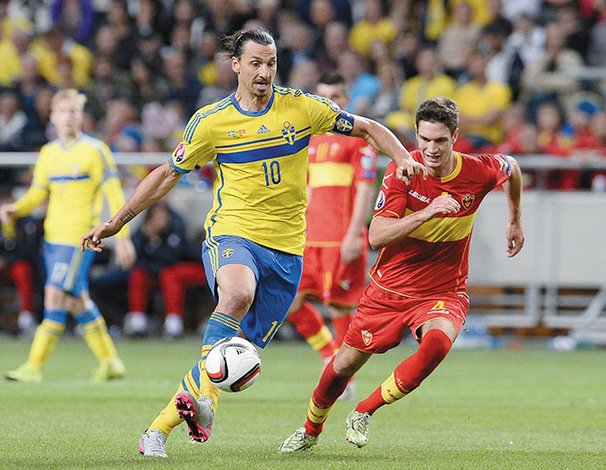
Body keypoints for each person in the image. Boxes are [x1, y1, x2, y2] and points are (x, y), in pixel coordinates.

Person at [80, 28, 425, 459]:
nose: (264, 72)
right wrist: (117, 221)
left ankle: (159, 431)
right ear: (236, 66)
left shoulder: (301, 108)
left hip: (287, 251)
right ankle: (204, 402)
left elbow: (370, 127)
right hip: (233, 233)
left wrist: (405, 157)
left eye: (271, 63)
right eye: (256, 63)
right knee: (237, 294)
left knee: (239, 357)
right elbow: (167, 174)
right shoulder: (211, 122)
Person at [279, 96, 524, 452]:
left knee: (438, 343)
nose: (431, 149)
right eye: (424, 140)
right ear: (416, 135)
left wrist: (514, 218)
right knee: (344, 364)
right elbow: (377, 236)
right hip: (388, 290)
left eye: (440, 141)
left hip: (443, 290)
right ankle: (310, 430)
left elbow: (511, 167)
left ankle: (364, 411)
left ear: (455, 137)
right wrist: (427, 213)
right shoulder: (402, 171)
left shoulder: (477, 170)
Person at [1, 89, 136, 383]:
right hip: (53, 239)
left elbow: (113, 193)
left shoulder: (96, 150)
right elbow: (38, 193)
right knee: (77, 300)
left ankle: (34, 366)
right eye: (62, 111)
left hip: (79, 239)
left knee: (55, 295)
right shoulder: (48, 153)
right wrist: (16, 208)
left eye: (74, 111)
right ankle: (111, 362)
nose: (68, 117)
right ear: (52, 116)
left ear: (82, 116)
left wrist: (122, 236)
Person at [286, 72, 378, 400]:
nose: (330, 102)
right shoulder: (310, 139)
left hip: (341, 239)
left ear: (346, 100)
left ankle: (344, 378)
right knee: (289, 302)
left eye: (336, 96)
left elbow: (366, 189)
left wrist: (356, 233)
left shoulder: (359, 139)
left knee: (339, 308)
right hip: (309, 239)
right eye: (323, 96)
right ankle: (330, 356)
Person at [124, 201, 207, 338]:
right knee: (138, 274)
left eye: (162, 216)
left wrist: (155, 247)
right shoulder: (144, 229)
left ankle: (174, 323)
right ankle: (137, 321)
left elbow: (173, 257)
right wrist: (149, 239)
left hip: (183, 266)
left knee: (169, 275)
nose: (159, 220)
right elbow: (135, 257)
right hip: (156, 271)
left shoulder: (176, 222)